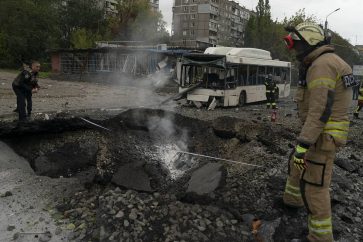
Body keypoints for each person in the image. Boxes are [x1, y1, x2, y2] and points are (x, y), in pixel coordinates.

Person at [282, 22, 357, 242]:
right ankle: (291, 202)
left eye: (296, 45)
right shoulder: (327, 61)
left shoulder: (322, 65)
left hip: (321, 137)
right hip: (319, 134)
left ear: (310, 42)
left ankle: (320, 237)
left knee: (315, 187)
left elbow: (320, 110)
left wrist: (303, 144)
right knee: (295, 167)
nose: (294, 50)